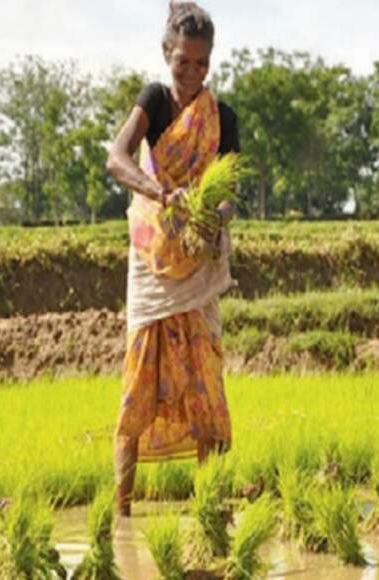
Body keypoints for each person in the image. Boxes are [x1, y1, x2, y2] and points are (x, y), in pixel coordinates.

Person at [104, 0, 240, 517]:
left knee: (206, 377)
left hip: (197, 261)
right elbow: (116, 159)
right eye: (183, 61)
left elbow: (229, 193)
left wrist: (213, 216)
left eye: (201, 64)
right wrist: (160, 193)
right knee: (139, 377)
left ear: (210, 64)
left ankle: (213, 510)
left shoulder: (221, 117)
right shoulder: (154, 101)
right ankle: (120, 514)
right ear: (167, 54)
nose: (191, 73)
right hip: (152, 255)